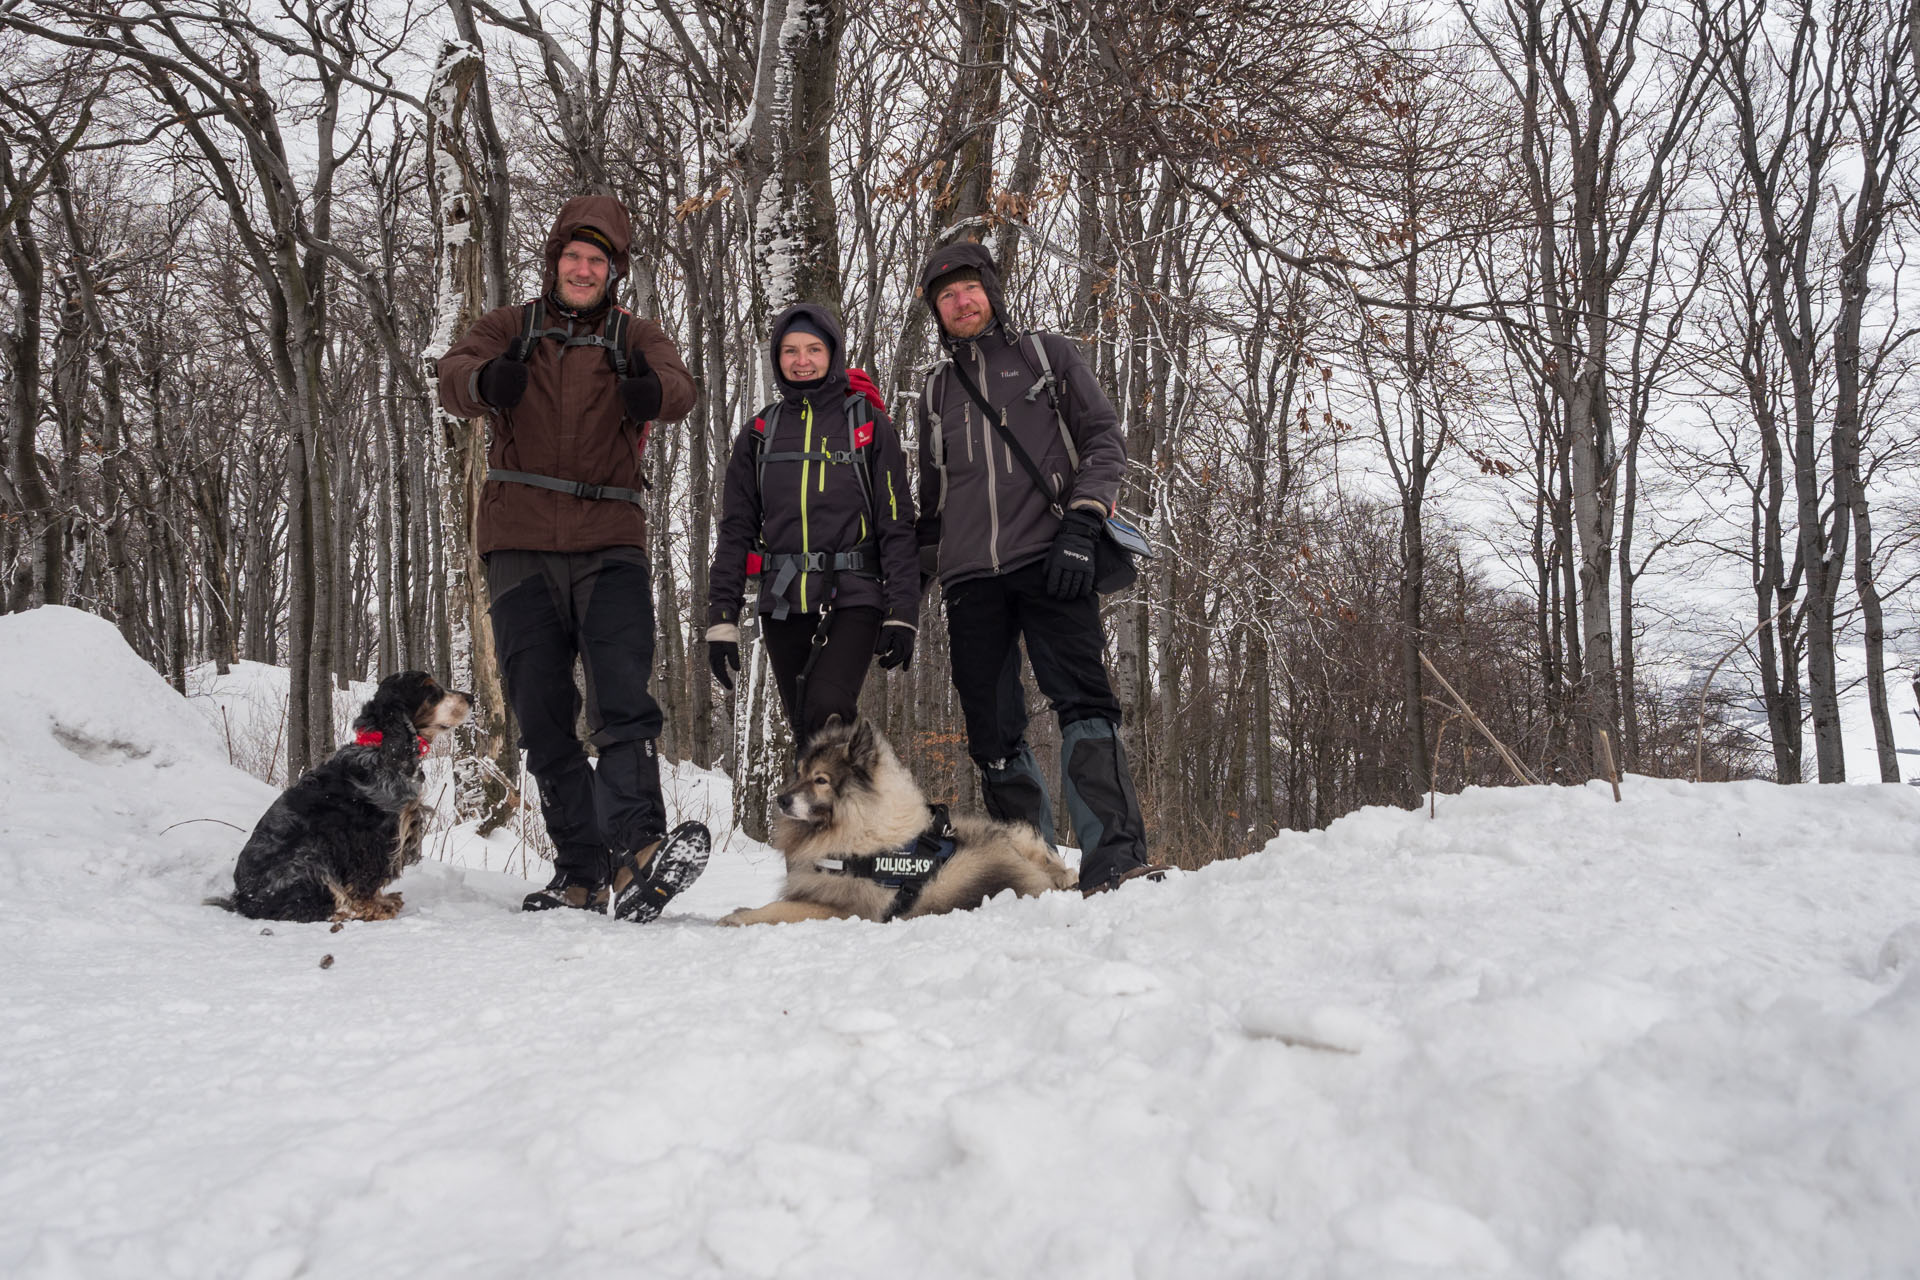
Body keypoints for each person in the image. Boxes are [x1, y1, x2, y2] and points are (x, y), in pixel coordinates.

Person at [436, 195, 710, 918]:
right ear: (555, 261)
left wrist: (653, 392)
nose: (583, 270)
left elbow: (682, 387)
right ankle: (581, 871)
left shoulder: (635, 335)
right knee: (544, 712)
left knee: (622, 698)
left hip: (609, 541)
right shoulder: (511, 327)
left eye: (598, 261)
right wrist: (482, 382)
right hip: (518, 541)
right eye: (573, 258)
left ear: (613, 271)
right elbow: (452, 372)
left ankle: (639, 854)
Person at [913, 242, 1166, 896]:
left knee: (1083, 701)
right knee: (992, 732)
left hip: (1055, 557)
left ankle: (1115, 858)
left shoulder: (1045, 356)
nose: (961, 302)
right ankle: (1031, 870)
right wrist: (904, 597)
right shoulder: (935, 392)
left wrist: (1083, 521)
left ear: (992, 291)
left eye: (969, 288)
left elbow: (1105, 438)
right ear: (936, 313)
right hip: (970, 581)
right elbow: (931, 505)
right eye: (946, 297)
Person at [705, 304, 919, 742]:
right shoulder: (759, 432)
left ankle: (874, 803)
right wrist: (722, 615)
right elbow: (735, 529)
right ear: (777, 358)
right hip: (783, 601)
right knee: (807, 731)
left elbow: (897, 524)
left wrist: (902, 614)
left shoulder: (869, 426)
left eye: (814, 349)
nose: (802, 361)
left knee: (828, 714)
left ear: (833, 353)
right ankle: (840, 812)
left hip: (854, 595)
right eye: (790, 351)